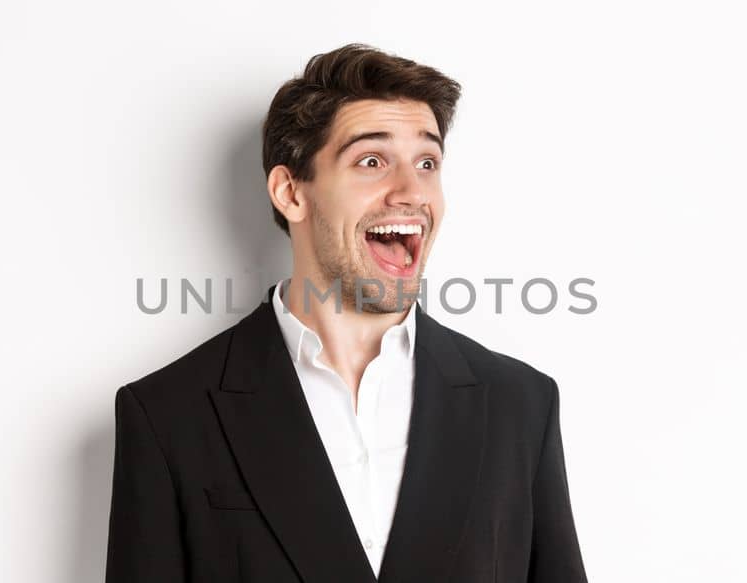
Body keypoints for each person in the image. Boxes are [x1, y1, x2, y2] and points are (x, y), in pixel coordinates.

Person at [106, 43, 588, 583]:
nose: (412, 191)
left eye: (427, 163)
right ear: (291, 193)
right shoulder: (168, 416)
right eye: (372, 161)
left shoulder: (520, 405)